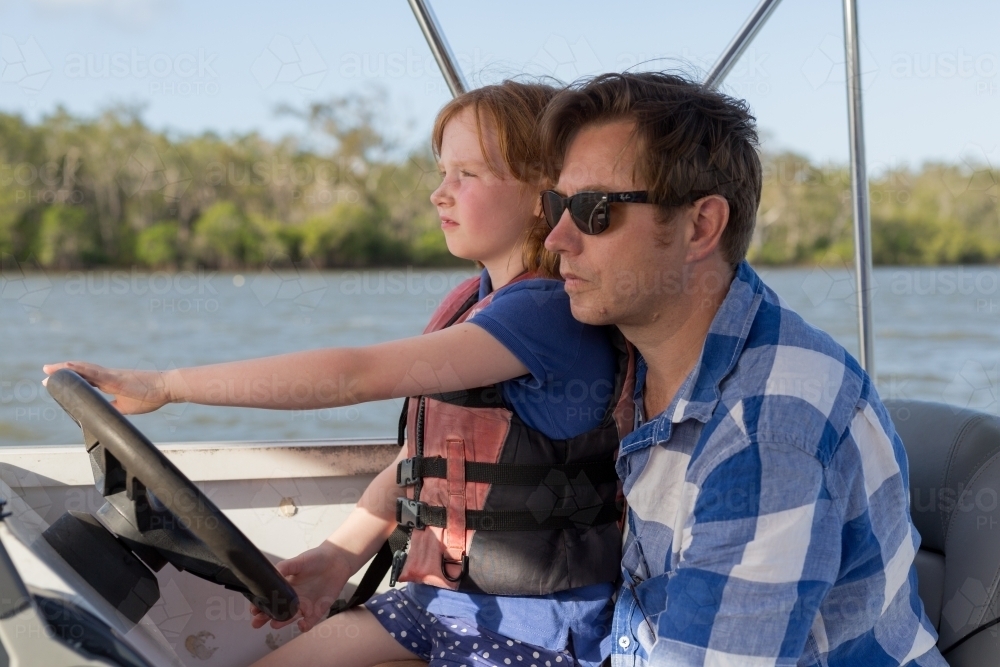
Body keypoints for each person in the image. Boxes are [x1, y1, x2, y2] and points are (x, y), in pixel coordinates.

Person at [43, 80, 632, 667]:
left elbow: (353, 376)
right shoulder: (467, 301)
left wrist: (167, 385)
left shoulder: (547, 313)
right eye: (441, 172)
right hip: (435, 602)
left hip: (533, 627)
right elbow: (420, 461)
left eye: (467, 176)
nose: (439, 195)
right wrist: (336, 558)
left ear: (541, 196)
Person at [538, 72, 947, 666]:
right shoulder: (638, 356)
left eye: (594, 210)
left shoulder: (768, 428)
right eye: (556, 204)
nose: (556, 236)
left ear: (701, 226)